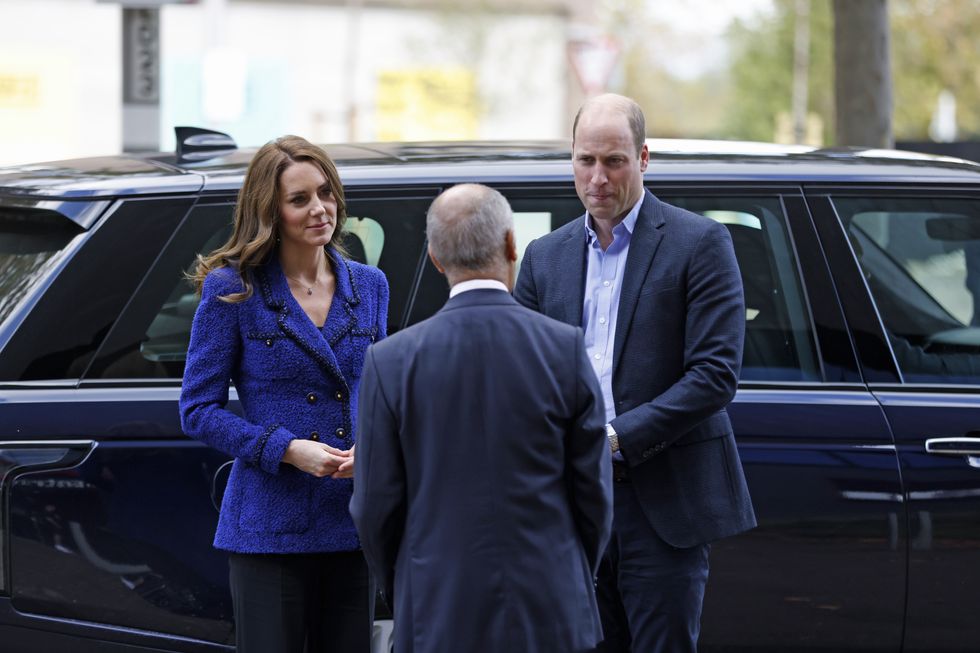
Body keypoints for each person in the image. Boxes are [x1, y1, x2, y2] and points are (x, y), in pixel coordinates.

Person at [513, 94, 757, 653]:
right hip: (570, 505)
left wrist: (615, 438)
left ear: (643, 159)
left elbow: (716, 374)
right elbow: (519, 373)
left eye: (614, 161)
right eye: (585, 160)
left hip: (663, 502)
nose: (598, 178)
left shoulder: (700, 242)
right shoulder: (544, 257)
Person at [350, 183, 613, 653]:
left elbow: (374, 506)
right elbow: (592, 493)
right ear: (512, 244)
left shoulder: (390, 362)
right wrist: (570, 572)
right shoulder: (564, 348)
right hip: (550, 606)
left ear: (434, 257)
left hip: (437, 609)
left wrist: (409, 585)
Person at [179, 135, 389, 653]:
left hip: (352, 522)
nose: (319, 209)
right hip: (270, 526)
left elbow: (384, 393)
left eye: (326, 193)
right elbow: (198, 411)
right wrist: (287, 449)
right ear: (270, 211)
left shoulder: (371, 285)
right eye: (299, 199)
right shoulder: (234, 289)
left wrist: (375, 450)